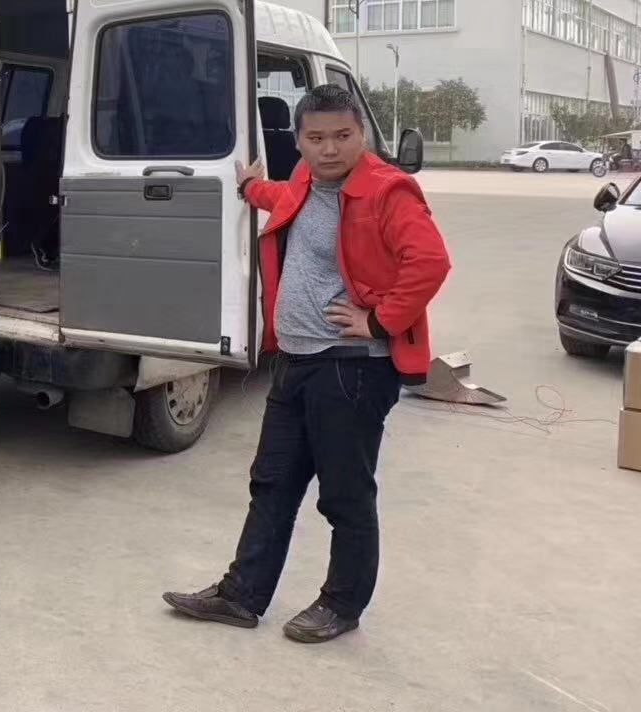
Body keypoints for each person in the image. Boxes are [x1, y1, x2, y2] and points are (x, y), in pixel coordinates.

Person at [163, 84, 451, 644]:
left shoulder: (389, 190)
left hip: (351, 367)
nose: (330, 149)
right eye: (316, 138)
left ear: (361, 134)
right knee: (271, 484)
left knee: (345, 494)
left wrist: (380, 321)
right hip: (295, 361)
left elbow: (431, 261)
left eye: (343, 135)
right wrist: (249, 187)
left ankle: (342, 605)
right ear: (298, 140)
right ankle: (241, 595)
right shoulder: (304, 179)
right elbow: (281, 198)